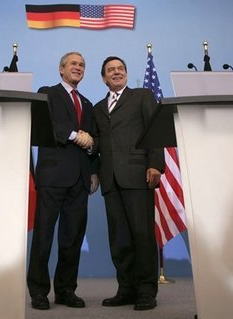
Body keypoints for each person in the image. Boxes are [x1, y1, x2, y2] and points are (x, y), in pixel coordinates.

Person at [27, 51, 99, 310]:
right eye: (73, 64)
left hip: (79, 180)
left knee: (72, 239)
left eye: (82, 64)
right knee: (44, 237)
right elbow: (48, 123)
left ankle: (66, 290)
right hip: (53, 178)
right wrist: (74, 135)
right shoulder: (48, 92)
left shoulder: (88, 104)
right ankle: (38, 291)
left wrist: (93, 162)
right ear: (61, 69)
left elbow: (94, 139)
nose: (78, 68)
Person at [91, 56, 164, 311]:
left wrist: (155, 163)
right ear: (104, 77)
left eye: (121, 68)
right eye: (111, 70)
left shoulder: (143, 96)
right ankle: (126, 288)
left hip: (138, 175)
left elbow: (154, 129)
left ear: (126, 73)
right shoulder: (98, 108)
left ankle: (146, 290)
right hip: (110, 179)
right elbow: (98, 143)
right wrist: (93, 170)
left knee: (142, 234)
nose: (117, 72)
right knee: (119, 238)